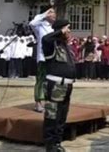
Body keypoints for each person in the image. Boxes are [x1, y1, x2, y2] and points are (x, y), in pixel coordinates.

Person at [42, 19, 75, 152]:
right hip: (56, 85)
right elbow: (45, 39)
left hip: (67, 86)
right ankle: (50, 145)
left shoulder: (64, 45)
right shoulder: (52, 44)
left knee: (62, 116)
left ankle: (57, 143)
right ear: (60, 29)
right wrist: (59, 31)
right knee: (52, 116)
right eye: (67, 28)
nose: (69, 31)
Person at [30, 8, 56, 112]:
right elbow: (32, 23)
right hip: (42, 58)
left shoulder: (54, 28)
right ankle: (38, 103)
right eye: (51, 13)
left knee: (51, 81)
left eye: (54, 13)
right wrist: (44, 15)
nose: (54, 15)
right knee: (41, 80)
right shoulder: (40, 26)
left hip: (53, 57)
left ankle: (47, 102)